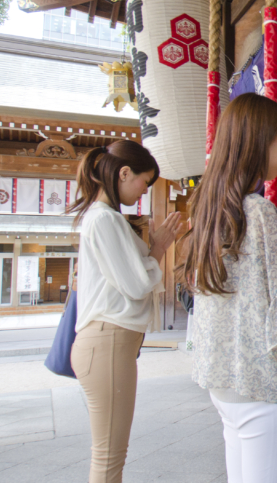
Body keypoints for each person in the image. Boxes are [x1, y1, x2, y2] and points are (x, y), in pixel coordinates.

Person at [183, 93, 277, 483]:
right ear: (259, 141)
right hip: (261, 385)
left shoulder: (211, 209)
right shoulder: (256, 211)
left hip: (225, 382)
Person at [67, 141, 185, 483]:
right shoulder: (105, 219)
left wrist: (154, 249)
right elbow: (136, 285)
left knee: (110, 454)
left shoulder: (105, 218)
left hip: (109, 342)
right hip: (108, 341)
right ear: (123, 173)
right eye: (144, 182)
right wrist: (159, 247)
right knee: (108, 458)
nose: (144, 190)